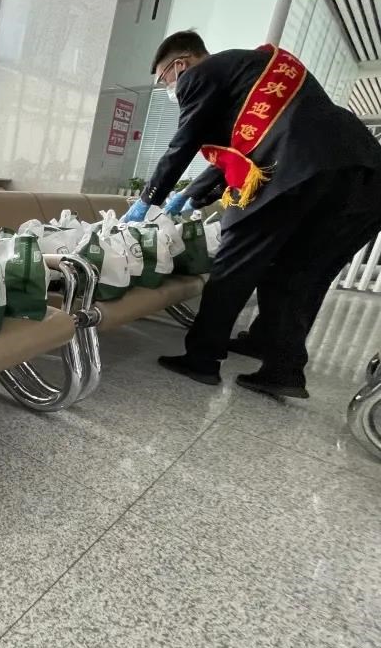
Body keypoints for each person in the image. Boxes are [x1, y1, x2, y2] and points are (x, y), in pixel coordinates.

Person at [124, 30, 381, 398]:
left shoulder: (201, 74)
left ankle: (202, 358)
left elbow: (184, 142)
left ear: (180, 64)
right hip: (364, 174)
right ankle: (281, 364)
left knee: (234, 262)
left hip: (292, 171)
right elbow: (245, 149)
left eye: (164, 79)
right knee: (302, 271)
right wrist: (190, 196)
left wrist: (148, 200)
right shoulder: (250, 70)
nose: (169, 88)